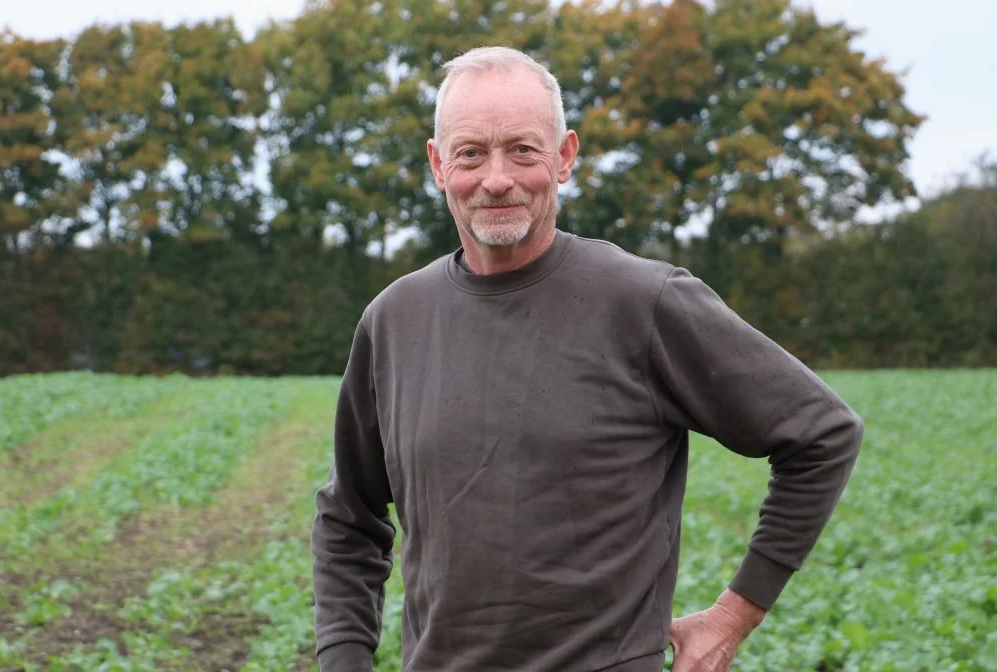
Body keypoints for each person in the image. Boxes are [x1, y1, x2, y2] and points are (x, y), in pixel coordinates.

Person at [310, 46, 864, 672]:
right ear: (438, 165)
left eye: (523, 149)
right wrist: (344, 659)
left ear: (565, 157)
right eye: (471, 152)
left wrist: (732, 618)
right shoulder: (394, 320)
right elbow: (349, 517)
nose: (497, 178)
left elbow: (821, 434)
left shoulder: (642, 302)